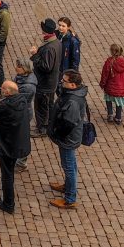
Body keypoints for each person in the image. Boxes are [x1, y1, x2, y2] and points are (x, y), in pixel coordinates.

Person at [0, 81, 31, 214]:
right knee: (10, 171)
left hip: (7, 145)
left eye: (2, 88)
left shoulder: (4, 105)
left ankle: (8, 203)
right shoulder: (22, 100)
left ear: (7, 92)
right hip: (19, 143)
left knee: (7, 175)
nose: (0, 89)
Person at [48, 69, 87, 209]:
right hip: (70, 137)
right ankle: (67, 186)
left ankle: (70, 198)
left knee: (68, 166)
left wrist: (57, 134)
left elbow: (68, 124)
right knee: (70, 165)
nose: (61, 82)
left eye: (64, 81)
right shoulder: (73, 93)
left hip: (67, 139)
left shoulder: (73, 101)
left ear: (73, 85)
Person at [30, 18, 62, 136]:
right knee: (48, 104)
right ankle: (49, 124)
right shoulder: (57, 42)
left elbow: (46, 66)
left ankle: (42, 128)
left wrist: (35, 55)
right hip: (51, 82)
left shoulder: (49, 47)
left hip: (45, 83)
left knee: (41, 106)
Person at [99, 43, 124, 125]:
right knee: (119, 102)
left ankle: (110, 114)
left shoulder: (109, 62)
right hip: (122, 87)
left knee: (108, 99)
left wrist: (102, 84)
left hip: (111, 86)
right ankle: (118, 117)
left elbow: (105, 74)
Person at [14, 57, 37, 170]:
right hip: (20, 111)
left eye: (19, 66)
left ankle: (21, 162)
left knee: (21, 138)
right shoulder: (22, 77)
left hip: (23, 114)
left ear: (25, 69)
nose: (16, 68)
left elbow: (19, 100)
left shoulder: (28, 86)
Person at [56, 16, 82, 94]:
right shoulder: (57, 34)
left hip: (65, 70)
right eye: (59, 25)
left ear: (68, 27)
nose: (60, 28)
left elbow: (75, 60)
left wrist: (73, 74)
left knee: (63, 90)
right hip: (57, 67)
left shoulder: (73, 41)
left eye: (63, 26)